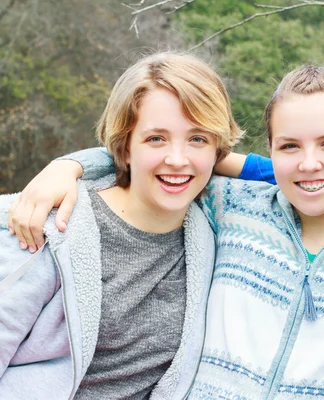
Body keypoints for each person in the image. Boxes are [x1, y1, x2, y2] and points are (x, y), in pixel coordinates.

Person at [7, 65, 324, 398]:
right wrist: (68, 166)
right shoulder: (229, 206)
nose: (308, 163)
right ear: (271, 149)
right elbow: (147, 157)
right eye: (290, 146)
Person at [0, 52, 243, 399]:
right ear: (125, 146)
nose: (177, 159)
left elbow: (311, 177)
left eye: (197, 139)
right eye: (156, 139)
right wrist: (67, 167)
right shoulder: (49, 224)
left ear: (218, 149)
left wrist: (72, 163)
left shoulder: (219, 231)